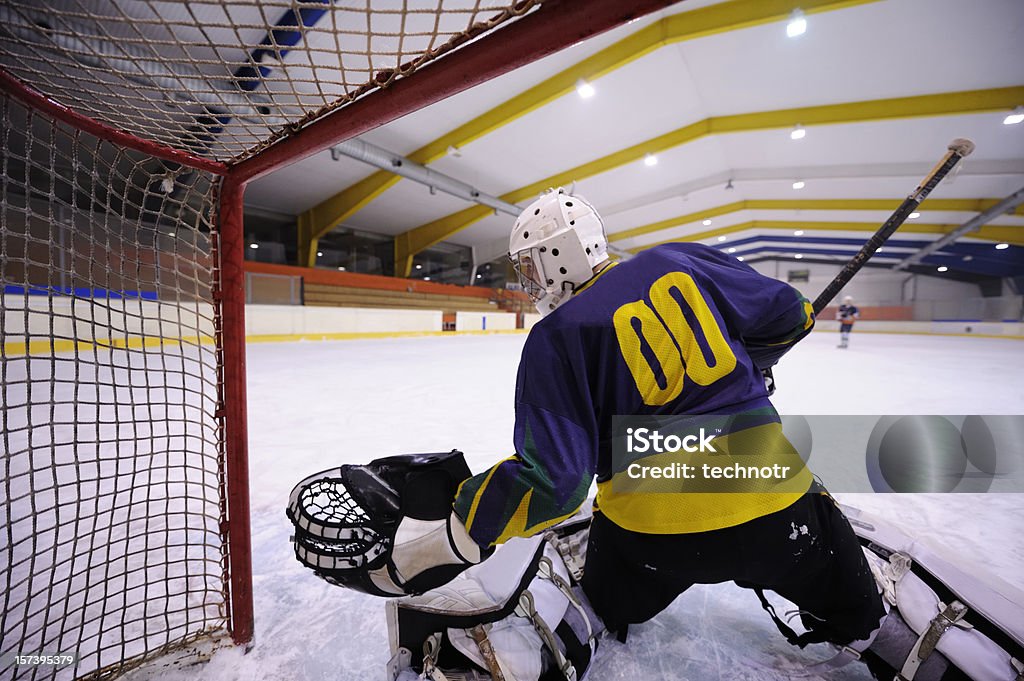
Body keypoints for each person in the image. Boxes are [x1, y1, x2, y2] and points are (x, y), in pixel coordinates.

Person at [382, 188, 884, 660]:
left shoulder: (554, 335)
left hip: (653, 540)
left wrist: (464, 516)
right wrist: (752, 361)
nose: (530, 281)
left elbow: (555, 483)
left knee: (610, 601)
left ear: (562, 255)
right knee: (860, 610)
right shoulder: (677, 260)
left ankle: (604, 607)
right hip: (773, 510)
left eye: (533, 265)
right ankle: (872, 626)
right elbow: (792, 314)